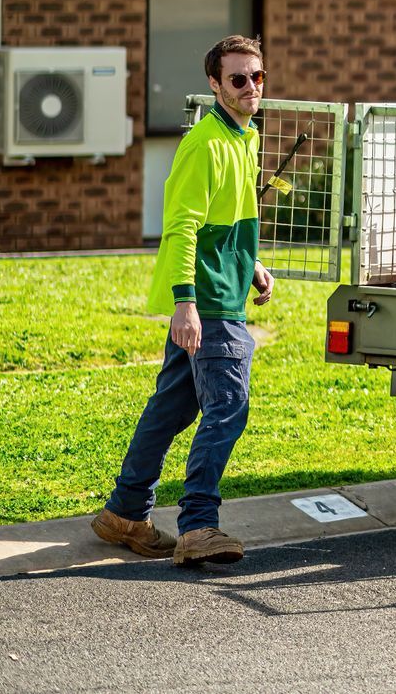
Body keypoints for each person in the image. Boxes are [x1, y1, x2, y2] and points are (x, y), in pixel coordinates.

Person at [91, 35, 274, 569]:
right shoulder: (205, 143)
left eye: (257, 77)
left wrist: (252, 265)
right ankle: (198, 525)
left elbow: (230, 218)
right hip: (207, 302)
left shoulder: (246, 136)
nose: (250, 88)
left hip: (223, 289)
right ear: (214, 84)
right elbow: (183, 227)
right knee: (228, 408)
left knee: (173, 407)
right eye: (238, 79)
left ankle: (125, 514)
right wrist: (185, 304)